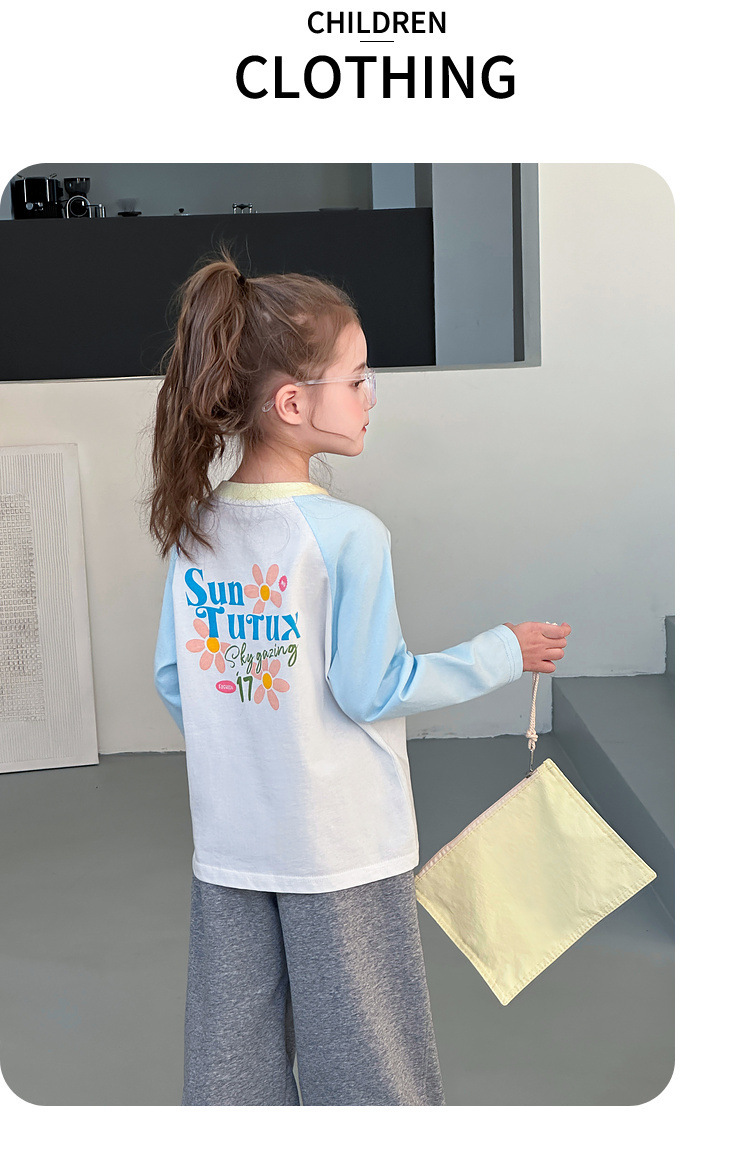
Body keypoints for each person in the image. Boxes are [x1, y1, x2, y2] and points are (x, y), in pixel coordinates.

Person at [148, 247, 571, 1106]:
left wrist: (253, 749)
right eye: (357, 378)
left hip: (232, 841)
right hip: (340, 845)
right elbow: (375, 687)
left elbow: (173, 677)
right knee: (370, 1063)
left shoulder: (198, 529)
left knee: (232, 1066)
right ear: (293, 403)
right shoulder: (348, 535)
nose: (371, 394)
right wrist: (505, 650)